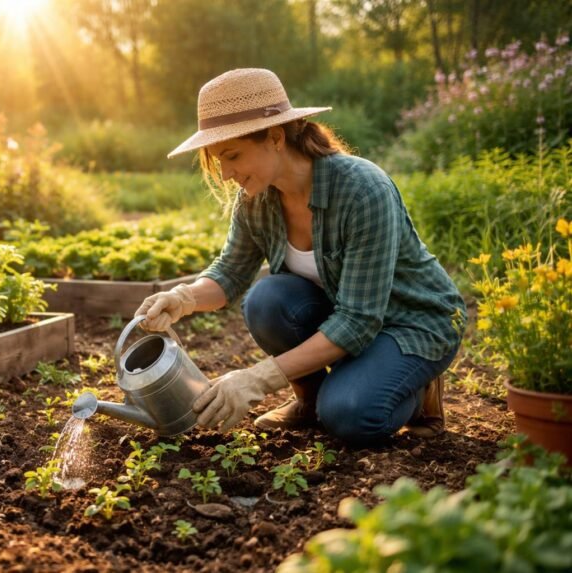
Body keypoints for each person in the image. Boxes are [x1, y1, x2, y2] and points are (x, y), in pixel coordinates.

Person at [134, 68, 466, 447]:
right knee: (267, 300)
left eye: (233, 156)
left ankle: (415, 390)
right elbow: (230, 273)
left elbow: (358, 321)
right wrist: (183, 298)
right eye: (217, 161)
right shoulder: (256, 200)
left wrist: (258, 378)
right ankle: (311, 402)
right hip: (351, 319)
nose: (225, 174)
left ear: (275, 138)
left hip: (412, 322)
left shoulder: (362, 190)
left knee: (350, 415)